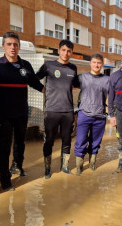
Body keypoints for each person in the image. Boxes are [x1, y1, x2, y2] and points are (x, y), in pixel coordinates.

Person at [0, 32, 44, 191]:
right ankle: (5, 179)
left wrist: (53, 92)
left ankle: (17, 166)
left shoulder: (25, 65)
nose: (13, 47)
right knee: (4, 146)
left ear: (19, 47)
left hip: (22, 112)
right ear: (3, 46)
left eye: (15, 44)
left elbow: (35, 84)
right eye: (9, 44)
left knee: (20, 143)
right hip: (4, 114)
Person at [36, 39, 79, 179]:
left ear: (71, 53)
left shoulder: (73, 68)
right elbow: (35, 78)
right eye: (63, 50)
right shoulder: (48, 65)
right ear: (59, 50)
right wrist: (42, 89)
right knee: (48, 140)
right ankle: (47, 169)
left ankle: (64, 166)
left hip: (67, 111)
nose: (66, 53)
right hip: (51, 110)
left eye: (69, 51)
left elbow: (77, 84)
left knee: (67, 139)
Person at [74, 53, 109, 175]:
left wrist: (112, 113)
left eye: (99, 63)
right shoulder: (82, 78)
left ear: (102, 64)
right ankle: (79, 166)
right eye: (94, 62)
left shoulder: (107, 80)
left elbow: (112, 97)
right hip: (84, 115)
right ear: (90, 63)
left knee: (95, 142)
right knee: (81, 140)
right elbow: (68, 86)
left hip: (100, 116)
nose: (96, 65)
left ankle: (92, 162)